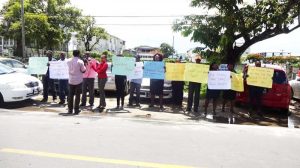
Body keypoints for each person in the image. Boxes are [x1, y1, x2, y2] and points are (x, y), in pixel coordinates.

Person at [66, 50, 86, 115]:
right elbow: (83, 70)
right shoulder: (80, 62)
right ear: (78, 54)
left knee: (70, 95)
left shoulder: (68, 61)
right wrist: (85, 64)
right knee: (77, 96)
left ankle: (70, 110)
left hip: (71, 80)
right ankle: (76, 110)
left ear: (73, 54)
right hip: (78, 81)